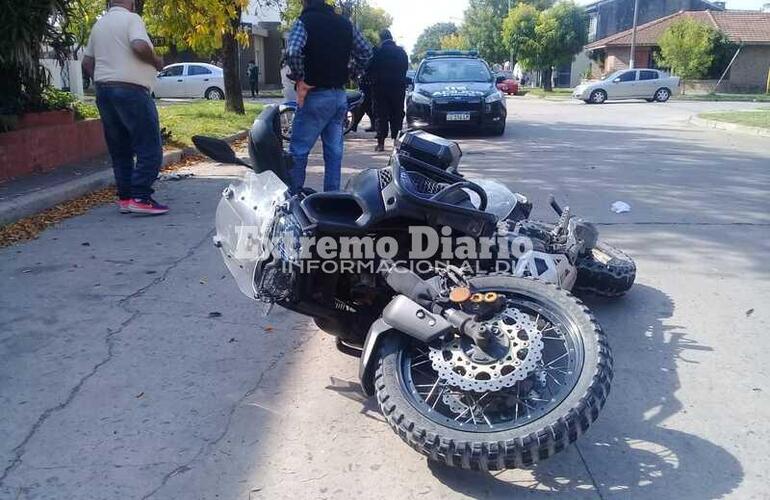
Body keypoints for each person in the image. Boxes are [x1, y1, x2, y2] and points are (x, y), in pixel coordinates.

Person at [81, 0, 168, 215]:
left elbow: (86, 62)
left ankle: (126, 197)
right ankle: (140, 196)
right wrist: (156, 61)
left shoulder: (99, 25)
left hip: (105, 92)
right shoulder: (132, 19)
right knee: (149, 146)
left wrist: (105, 79)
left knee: (120, 148)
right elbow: (139, 45)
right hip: (132, 91)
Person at [284, 0, 372, 194]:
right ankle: (331, 199)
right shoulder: (345, 23)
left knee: (298, 151)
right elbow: (366, 51)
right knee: (334, 153)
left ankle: (293, 196)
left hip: (314, 95)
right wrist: (349, 72)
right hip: (339, 96)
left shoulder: (304, 22)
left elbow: (292, 51)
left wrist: (301, 77)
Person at [368, 29, 409, 152]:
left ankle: (381, 144)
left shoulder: (377, 51)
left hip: (380, 88)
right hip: (398, 87)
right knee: (397, 113)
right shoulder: (401, 52)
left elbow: (369, 67)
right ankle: (396, 143)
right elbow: (405, 68)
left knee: (381, 114)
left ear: (381, 39)